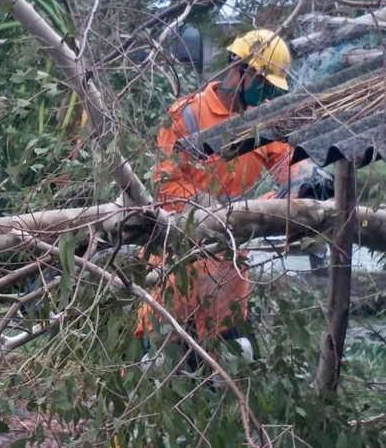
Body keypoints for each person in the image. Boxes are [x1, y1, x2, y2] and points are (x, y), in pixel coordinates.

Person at [137, 28, 333, 368]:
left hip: (227, 268)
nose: (267, 93)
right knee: (160, 365)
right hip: (177, 258)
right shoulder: (188, 115)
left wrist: (308, 182)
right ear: (240, 70)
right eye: (264, 82)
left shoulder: (264, 121)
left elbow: (288, 163)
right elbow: (166, 185)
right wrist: (214, 211)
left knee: (234, 361)